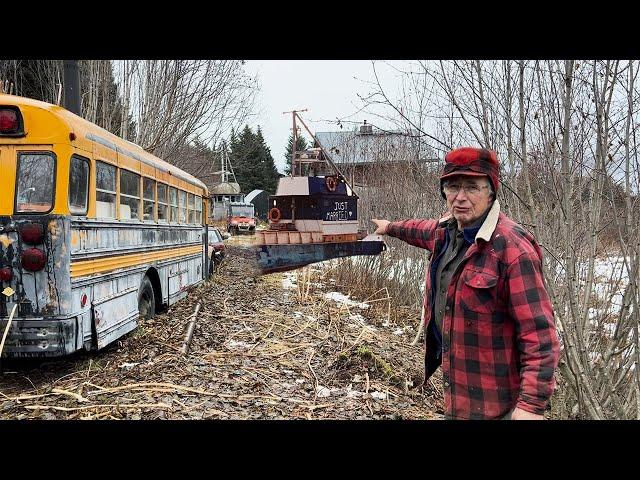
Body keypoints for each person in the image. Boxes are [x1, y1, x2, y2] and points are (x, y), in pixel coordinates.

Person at [372, 147, 559, 420]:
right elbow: (419, 229)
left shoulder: (512, 248)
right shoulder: (447, 232)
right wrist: (389, 227)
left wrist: (531, 406)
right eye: (452, 186)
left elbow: (540, 337)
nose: (460, 197)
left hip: (497, 404)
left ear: (491, 191)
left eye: (472, 187)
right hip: (458, 394)